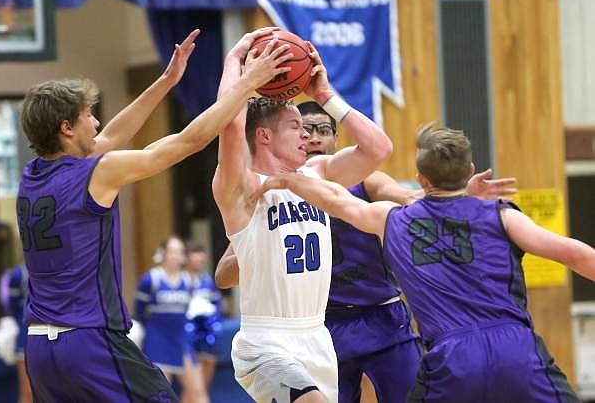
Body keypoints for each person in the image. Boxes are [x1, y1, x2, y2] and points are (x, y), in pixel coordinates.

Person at [15, 28, 292, 403]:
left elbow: (110, 138)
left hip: (40, 349)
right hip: (89, 341)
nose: (96, 123)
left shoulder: (30, 177)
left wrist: (165, 81)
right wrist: (249, 82)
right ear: (66, 129)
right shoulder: (95, 173)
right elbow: (189, 140)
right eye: (87, 117)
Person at [252, 123, 586, 403]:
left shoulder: (392, 221)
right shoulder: (500, 215)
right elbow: (575, 253)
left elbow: (337, 200)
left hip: (451, 358)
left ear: (421, 179)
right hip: (516, 348)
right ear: (469, 172)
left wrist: (287, 179)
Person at [215, 102, 517, 403]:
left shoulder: (355, 183)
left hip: (379, 313)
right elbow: (223, 274)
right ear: (268, 136)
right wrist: (264, 249)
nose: (313, 137)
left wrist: (456, 197)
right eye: (303, 129)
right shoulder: (261, 194)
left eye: (323, 130)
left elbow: (409, 198)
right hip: (323, 322)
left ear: (337, 139)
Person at [212, 27, 393, 403]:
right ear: (263, 136)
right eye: (296, 127)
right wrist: (237, 67)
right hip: (266, 341)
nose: (307, 137)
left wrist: (325, 95)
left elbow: (378, 148)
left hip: (316, 336)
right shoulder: (242, 187)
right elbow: (229, 124)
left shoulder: (317, 175)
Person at [134, 236, 208, 403]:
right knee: (161, 396)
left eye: (180, 252)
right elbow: (138, 313)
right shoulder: (150, 280)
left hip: (181, 342)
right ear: (163, 254)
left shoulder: (188, 282)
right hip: (157, 342)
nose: (176, 256)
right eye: (172, 252)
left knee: (199, 393)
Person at [183, 241, 223, 392]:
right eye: (195, 254)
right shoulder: (181, 280)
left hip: (208, 334)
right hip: (187, 335)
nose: (200, 258)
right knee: (194, 387)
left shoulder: (207, 280)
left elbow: (217, 304)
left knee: (203, 386)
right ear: (186, 257)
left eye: (201, 254)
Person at [0, 264, 32, 403]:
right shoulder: (17, 274)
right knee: (28, 392)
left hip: (48, 337)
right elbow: (11, 308)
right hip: (24, 339)